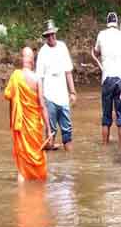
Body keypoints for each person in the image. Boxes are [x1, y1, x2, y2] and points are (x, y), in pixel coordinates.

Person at [5, 47, 52, 182]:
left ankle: (22, 196)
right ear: (32, 61)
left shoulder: (15, 76)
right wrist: (49, 129)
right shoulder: (37, 79)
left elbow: (10, 99)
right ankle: (39, 193)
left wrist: (12, 124)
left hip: (20, 127)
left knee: (22, 170)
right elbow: (42, 106)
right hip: (34, 127)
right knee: (39, 160)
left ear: (22, 60)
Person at [36, 19, 76, 151]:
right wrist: (40, 98)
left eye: (53, 34)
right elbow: (39, 78)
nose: (51, 37)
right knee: (50, 131)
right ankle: (49, 163)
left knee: (67, 131)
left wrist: (73, 92)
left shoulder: (62, 47)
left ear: (55, 34)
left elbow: (68, 71)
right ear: (45, 37)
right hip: (49, 96)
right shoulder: (43, 52)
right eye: (48, 35)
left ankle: (69, 160)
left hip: (63, 97)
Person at [92, 12, 121, 146]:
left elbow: (96, 52)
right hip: (120, 80)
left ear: (107, 22)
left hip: (107, 79)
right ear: (117, 23)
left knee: (106, 116)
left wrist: (96, 54)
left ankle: (104, 145)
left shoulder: (101, 35)